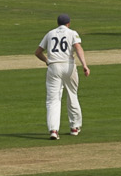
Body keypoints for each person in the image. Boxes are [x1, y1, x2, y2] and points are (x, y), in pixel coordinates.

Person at [36, 12, 89, 140]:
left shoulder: (50, 33)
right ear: (68, 23)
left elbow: (38, 52)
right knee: (72, 94)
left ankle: (53, 130)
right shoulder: (72, 33)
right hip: (68, 66)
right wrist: (85, 65)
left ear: (57, 23)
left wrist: (47, 61)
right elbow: (78, 48)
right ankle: (74, 127)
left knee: (53, 100)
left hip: (53, 67)